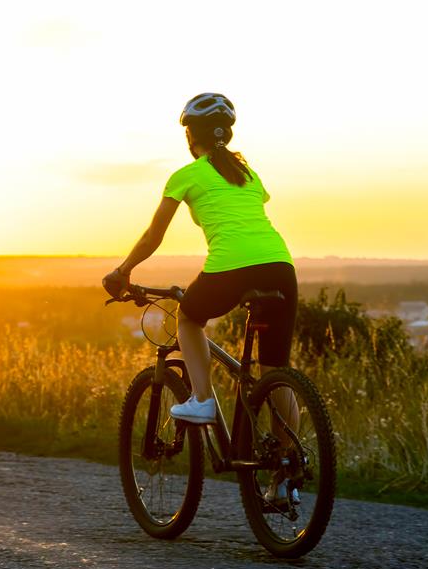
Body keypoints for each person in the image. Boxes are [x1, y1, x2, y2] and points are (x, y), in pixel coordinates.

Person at [102, 93, 299, 503]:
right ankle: (285, 473)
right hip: (280, 265)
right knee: (275, 371)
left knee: (189, 317)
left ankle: (203, 400)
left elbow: (154, 235)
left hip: (232, 265)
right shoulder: (247, 172)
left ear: (190, 136)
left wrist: (123, 272)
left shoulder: (186, 175)